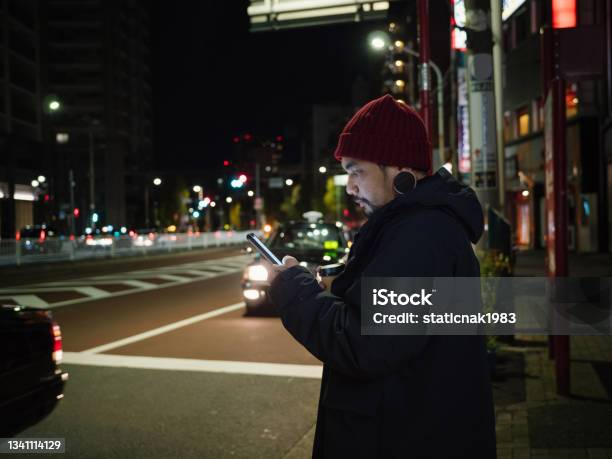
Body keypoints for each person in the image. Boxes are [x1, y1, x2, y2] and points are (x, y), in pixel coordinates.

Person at [265, 94, 496, 458]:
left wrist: (296, 289)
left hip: (402, 437)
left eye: (357, 171)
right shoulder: (415, 227)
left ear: (400, 170)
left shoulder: (422, 234)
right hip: (408, 427)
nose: (351, 187)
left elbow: (366, 345)